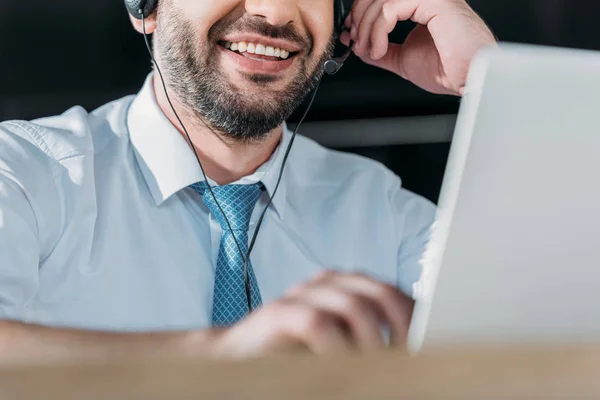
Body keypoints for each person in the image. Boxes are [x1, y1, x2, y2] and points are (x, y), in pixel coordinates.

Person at [0, 0, 496, 361]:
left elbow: (546, 334)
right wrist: (221, 358)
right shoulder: (25, 171)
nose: (276, 11)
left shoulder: (382, 209)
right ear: (145, 7)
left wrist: (491, 87)